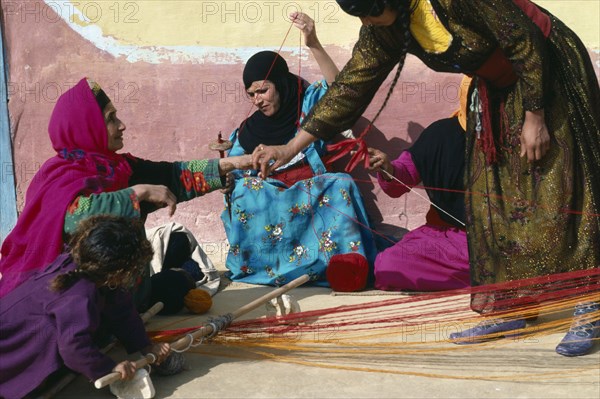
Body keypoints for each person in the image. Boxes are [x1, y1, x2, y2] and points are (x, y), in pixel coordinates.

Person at [251, 0, 599, 355]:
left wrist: (536, 117)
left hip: (545, 73)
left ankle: (592, 304)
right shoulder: (384, 27)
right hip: (497, 87)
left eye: (371, 12)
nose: (368, 22)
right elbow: (351, 87)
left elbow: (524, 40)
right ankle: (511, 304)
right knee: (493, 194)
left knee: (561, 185)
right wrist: (290, 147)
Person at [0, 77, 253, 309]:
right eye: (111, 118)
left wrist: (235, 163)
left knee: (179, 264)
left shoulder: (117, 168)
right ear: (87, 125)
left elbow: (173, 175)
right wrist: (136, 194)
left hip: (123, 290)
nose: (121, 126)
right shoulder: (60, 176)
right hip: (76, 301)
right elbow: (73, 216)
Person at [222, 12, 377, 290]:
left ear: (280, 83)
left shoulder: (308, 101)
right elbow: (234, 167)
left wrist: (313, 42)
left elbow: (341, 92)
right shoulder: (248, 130)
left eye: (263, 91)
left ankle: (342, 266)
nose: (257, 100)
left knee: (340, 185)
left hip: (310, 189)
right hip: (272, 193)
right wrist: (228, 180)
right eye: (251, 94)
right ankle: (264, 267)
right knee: (246, 192)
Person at [0, 215, 170, 399]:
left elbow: (121, 310)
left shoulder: (92, 269)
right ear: (119, 271)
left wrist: (145, 345)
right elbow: (74, 347)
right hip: (7, 348)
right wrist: (108, 368)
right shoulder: (78, 294)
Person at [367, 116, 469, 291]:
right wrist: (388, 169)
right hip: (450, 240)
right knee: (389, 266)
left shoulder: (518, 131)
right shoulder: (442, 131)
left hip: (504, 238)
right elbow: (405, 173)